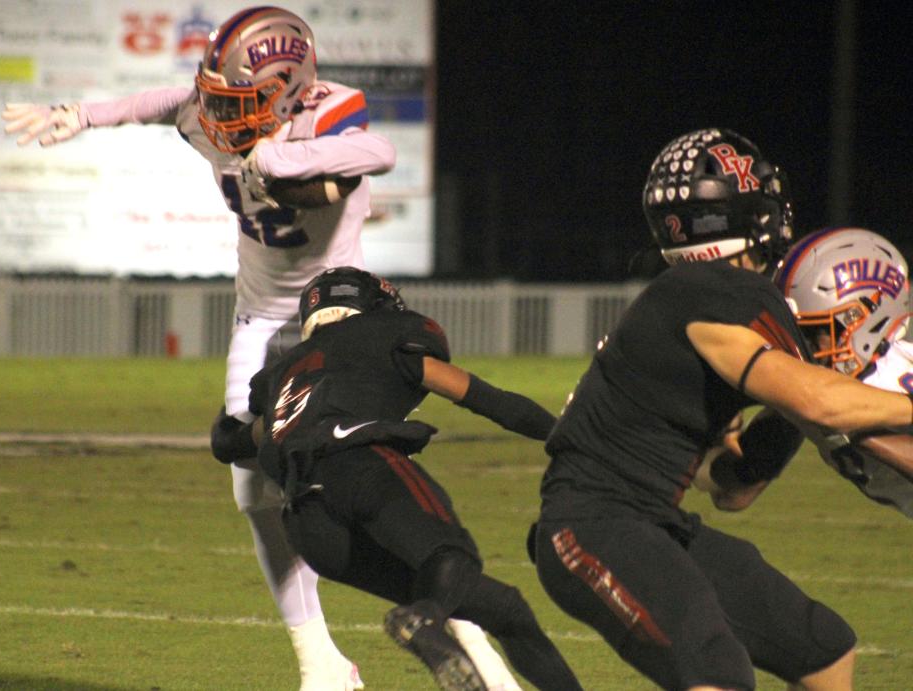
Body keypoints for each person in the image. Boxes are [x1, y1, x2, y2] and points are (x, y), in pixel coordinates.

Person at [0, 7, 511, 690]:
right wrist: (86, 114)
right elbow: (167, 103)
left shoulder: (323, 119)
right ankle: (320, 661)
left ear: (288, 93)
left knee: (369, 488)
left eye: (236, 101)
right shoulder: (213, 113)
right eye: (217, 94)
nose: (215, 113)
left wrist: (278, 158)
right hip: (259, 318)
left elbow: (377, 152)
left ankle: (468, 630)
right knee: (252, 488)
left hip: (338, 320)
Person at [530, 128, 913, 691]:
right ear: (752, 212)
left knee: (821, 647)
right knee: (717, 673)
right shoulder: (716, 294)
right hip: (593, 525)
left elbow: (736, 492)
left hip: (654, 521)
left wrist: (750, 445)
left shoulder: (699, 293)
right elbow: (818, 401)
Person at [211, 266, 584, 691]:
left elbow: (229, 442)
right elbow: (488, 400)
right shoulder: (385, 337)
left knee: (505, 608)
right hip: (363, 468)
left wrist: (227, 418)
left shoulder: (287, 374)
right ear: (372, 309)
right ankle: (423, 618)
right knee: (451, 557)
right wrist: (566, 436)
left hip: (307, 525)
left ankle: (426, 613)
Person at [774, 226, 913, 516]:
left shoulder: (894, 378)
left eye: (819, 332)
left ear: (869, 320)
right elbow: (733, 492)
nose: (805, 349)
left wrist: (860, 433)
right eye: (799, 333)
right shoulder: (813, 390)